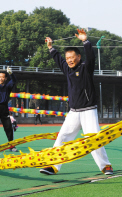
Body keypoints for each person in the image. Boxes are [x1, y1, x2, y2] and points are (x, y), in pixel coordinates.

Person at [40, 29, 113, 175]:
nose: (69, 60)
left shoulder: (86, 67)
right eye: (67, 58)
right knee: (62, 137)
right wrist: (50, 47)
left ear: (78, 57)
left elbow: (91, 57)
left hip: (88, 110)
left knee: (93, 138)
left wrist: (85, 41)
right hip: (73, 112)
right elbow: (58, 59)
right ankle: (53, 166)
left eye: (72, 57)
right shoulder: (67, 69)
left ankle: (106, 166)